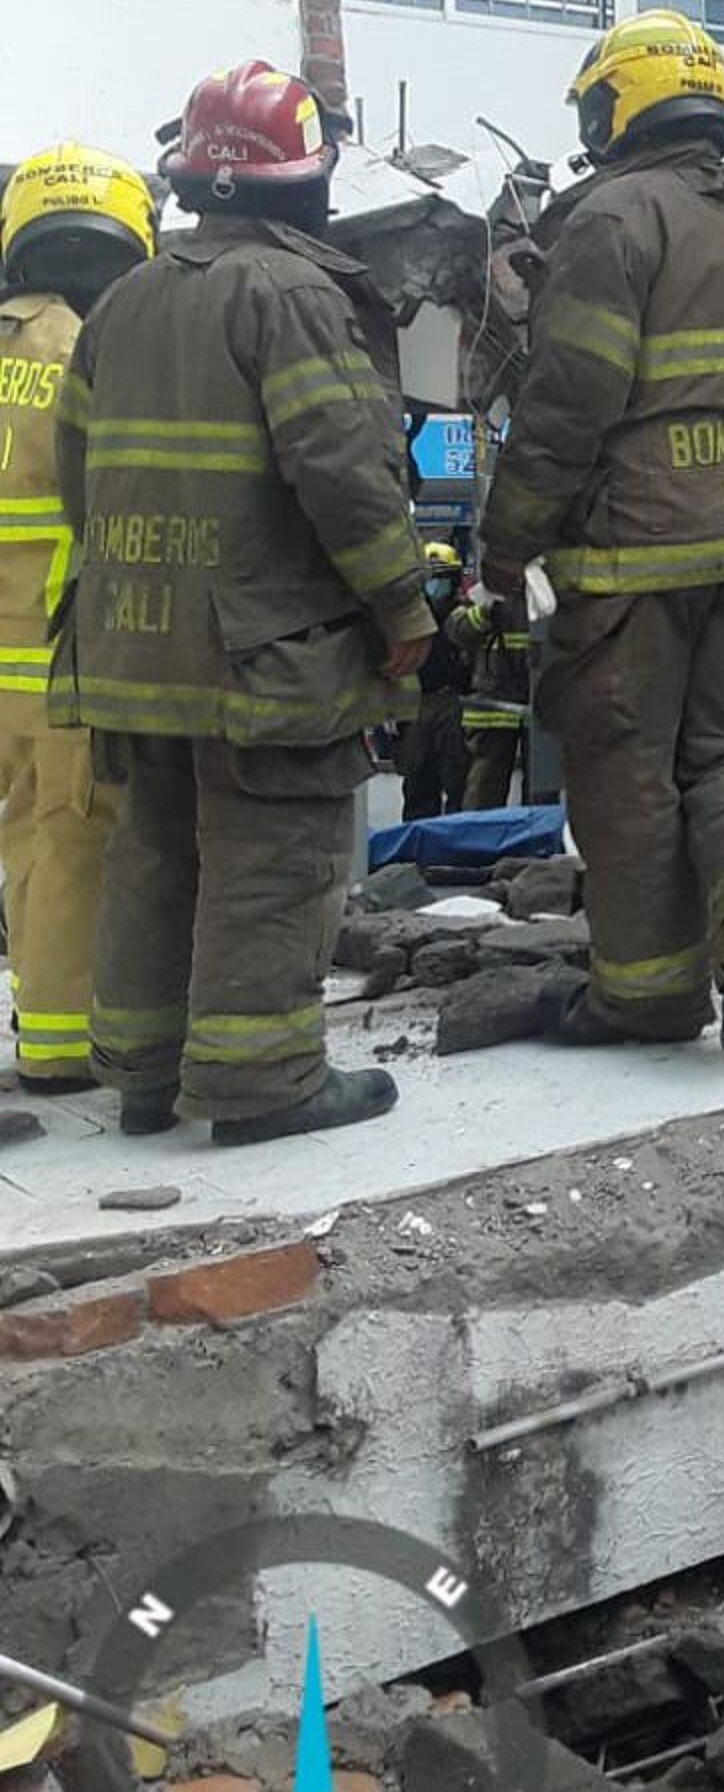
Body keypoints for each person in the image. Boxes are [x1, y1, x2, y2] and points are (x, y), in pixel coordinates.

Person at [53, 60, 433, 1144]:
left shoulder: (124, 300)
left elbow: (77, 472)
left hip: (133, 643)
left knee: (156, 850)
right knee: (272, 855)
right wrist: (402, 606)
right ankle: (262, 1081)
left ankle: (143, 1074)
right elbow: (346, 472)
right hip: (263, 650)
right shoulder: (294, 295)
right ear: (303, 182)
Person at [480, 10, 724, 1053]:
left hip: (637, 549)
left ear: (617, 106)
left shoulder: (613, 218)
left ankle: (648, 993)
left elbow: (568, 400)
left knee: (625, 760)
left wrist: (507, 540)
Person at [0, 145, 153, 1093]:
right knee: (67, 839)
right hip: (56, 660)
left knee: (26, 836)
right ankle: (58, 1046)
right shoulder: (88, 356)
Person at [395, 538, 471, 818]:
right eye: (430, 582)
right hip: (417, 706)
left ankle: (456, 836)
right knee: (418, 780)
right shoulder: (408, 620)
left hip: (455, 704)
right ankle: (417, 834)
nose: (436, 589)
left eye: (442, 582)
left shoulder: (464, 619)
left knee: (458, 779)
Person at [449, 562, 532, 810]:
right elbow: (455, 630)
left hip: (539, 707)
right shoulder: (487, 591)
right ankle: (477, 835)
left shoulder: (547, 594)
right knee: (484, 790)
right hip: (492, 708)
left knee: (541, 791)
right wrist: (485, 612)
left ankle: (539, 834)